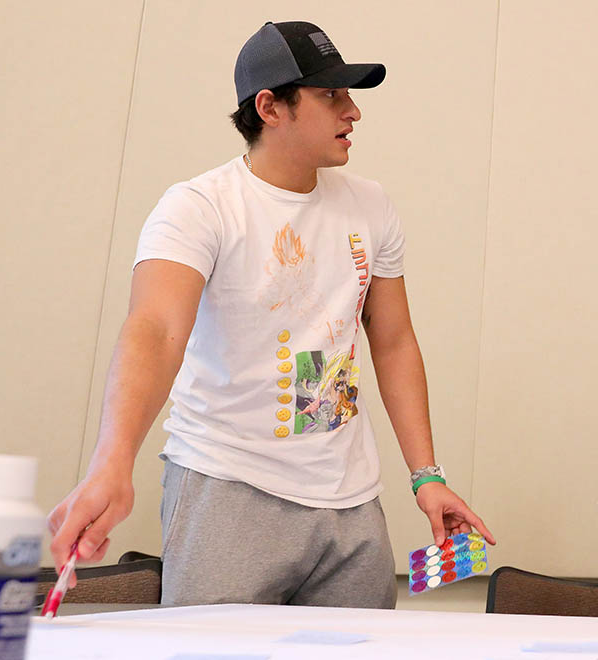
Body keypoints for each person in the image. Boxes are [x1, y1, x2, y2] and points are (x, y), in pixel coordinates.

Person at [47, 20, 493, 607]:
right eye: (331, 95)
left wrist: (426, 475)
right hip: (228, 487)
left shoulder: (372, 205)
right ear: (270, 106)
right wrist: (112, 463)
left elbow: (393, 341)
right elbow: (154, 332)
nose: (353, 112)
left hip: (351, 503)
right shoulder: (199, 207)